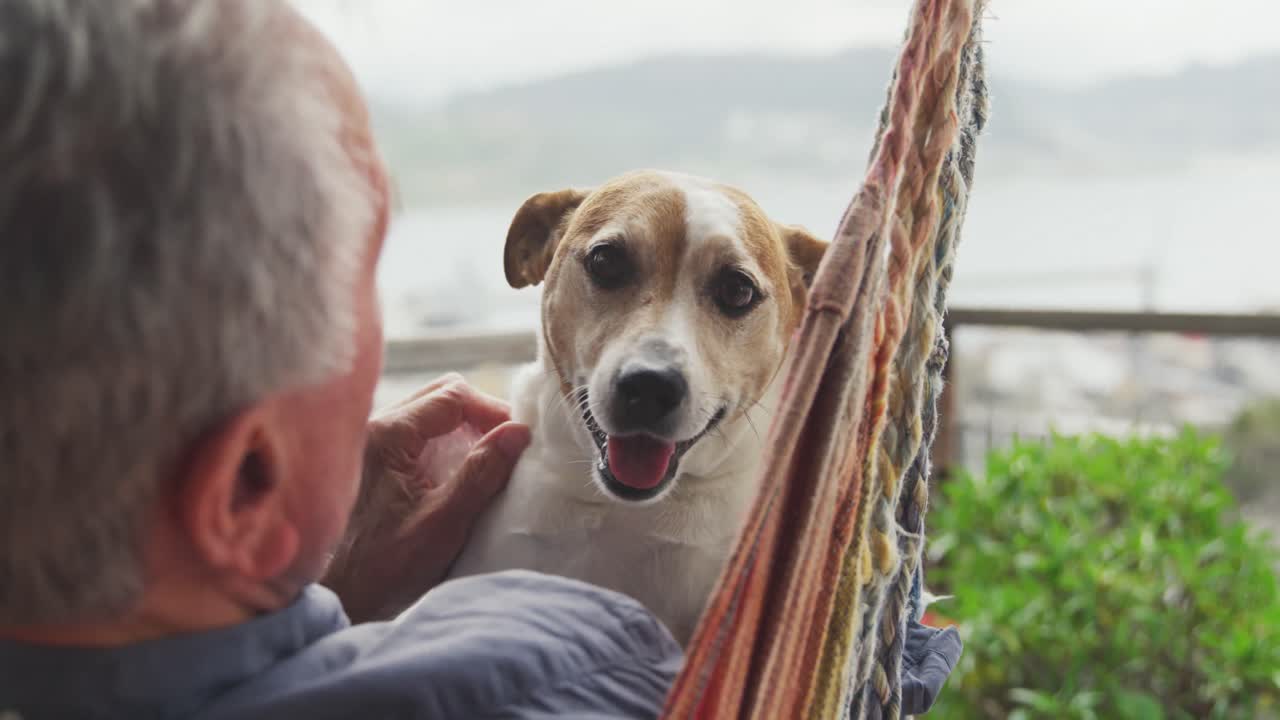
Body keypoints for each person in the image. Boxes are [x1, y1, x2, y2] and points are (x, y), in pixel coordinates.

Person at [0, 1, 958, 718]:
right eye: (356, 276)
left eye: (734, 295)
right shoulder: (581, 671)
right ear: (242, 486)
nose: (655, 356)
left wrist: (335, 589)